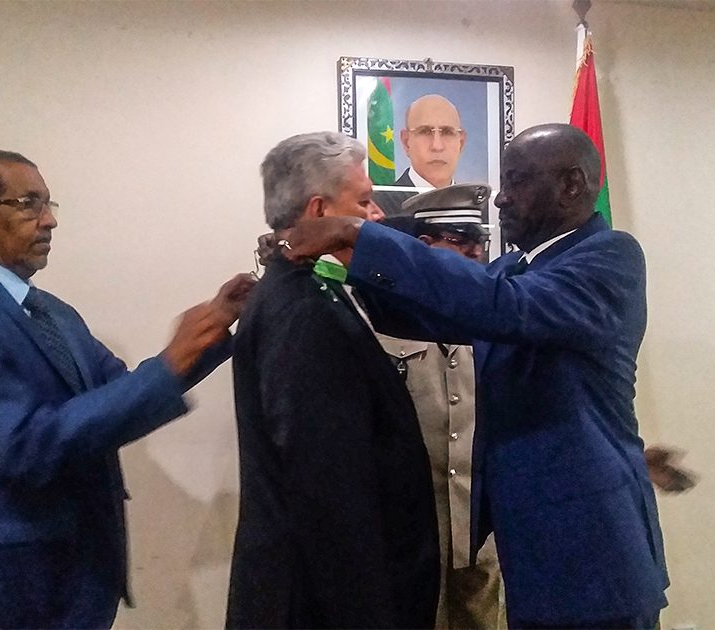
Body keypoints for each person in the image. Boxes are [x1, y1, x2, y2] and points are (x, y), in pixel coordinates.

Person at [281, 123, 669, 629]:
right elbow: (429, 312)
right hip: (535, 559)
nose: (502, 199)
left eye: (517, 181)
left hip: (595, 559)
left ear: (572, 185)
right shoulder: (516, 269)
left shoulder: (610, 257)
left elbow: (504, 307)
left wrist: (357, 235)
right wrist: (321, 276)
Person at [0, 149, 254, 629]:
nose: (49, 220)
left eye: (49, 203)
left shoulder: (55, 313)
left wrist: (214, 328)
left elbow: (124, 391)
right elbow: (24, 445)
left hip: (81, 576)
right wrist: (170, 362)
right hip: (4, 585)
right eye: (29, 204)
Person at [225, 131, 439, 629]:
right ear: (320, 211)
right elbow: (329, 493)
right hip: (321, 605)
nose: (376, 215)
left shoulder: (319, 288)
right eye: (363, 202)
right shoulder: (304, 311)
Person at [376, 184, 506, 630]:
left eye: (480, 239)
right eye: (460, 238)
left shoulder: (498, 316)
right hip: (408, 529)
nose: (476, 250)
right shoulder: (380, 313)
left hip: (480, 525)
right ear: (425, 246)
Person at [373, 93, 468, 217]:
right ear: (406, 142)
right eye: (425, 132)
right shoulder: (378, 209)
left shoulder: (481, 210)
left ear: (461, 143)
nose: (437, 146)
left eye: (447, 132)